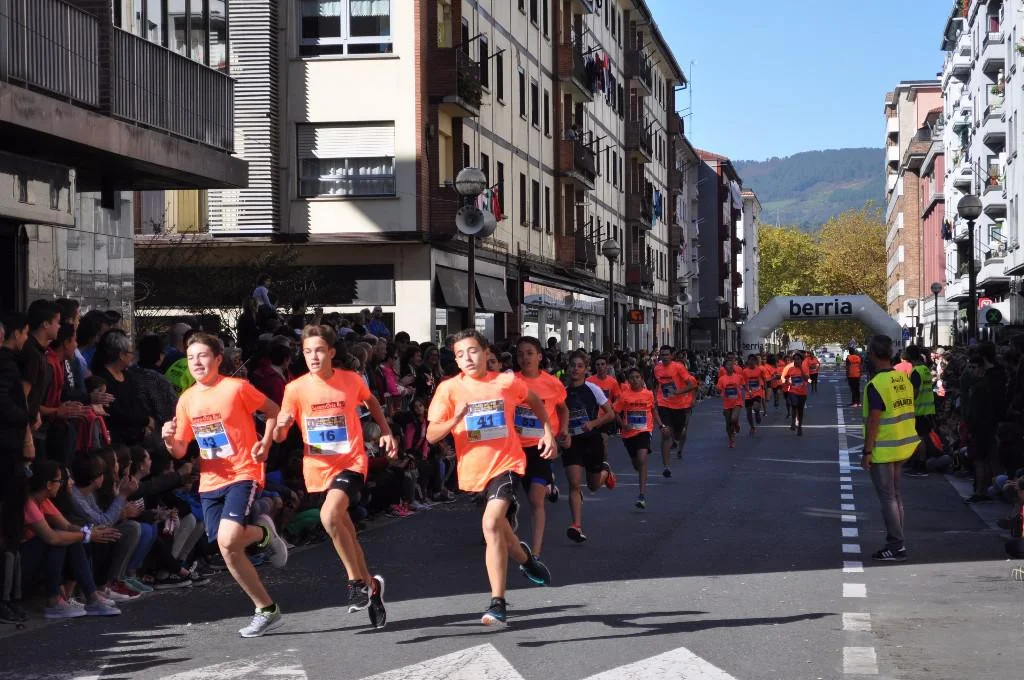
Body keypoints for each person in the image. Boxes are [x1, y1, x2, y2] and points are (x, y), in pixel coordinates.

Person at [161, 332, 289, 638]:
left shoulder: (236, 388)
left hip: (243, 471)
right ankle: (266, 608)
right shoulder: (187, 399)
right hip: (210, 480)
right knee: (226, 546)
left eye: (203, 356)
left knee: (230, 539)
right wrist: (167, 439)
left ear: (218, 359)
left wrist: (265, 443)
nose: (196, 362)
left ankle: (263, 535)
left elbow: (273, 410)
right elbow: (180, 449)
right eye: (190, 357)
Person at [426, 330, 553, 627]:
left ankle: (498, 602)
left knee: (490, 523)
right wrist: (455, 419)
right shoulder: (448, 389)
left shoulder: (505, 383)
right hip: (473, 472)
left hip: (506, 463)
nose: (467, 358)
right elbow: (431, 435)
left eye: (472, 351)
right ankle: (526, 560)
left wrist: (547, 432)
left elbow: (534, 400)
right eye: (460, 355)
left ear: (486, 353)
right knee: (501, 529)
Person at [274, 325, 397, 629]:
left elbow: (372, 402)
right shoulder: (295, 389)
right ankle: (372, 586)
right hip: (318, 467)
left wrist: (386, 432)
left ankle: (356, 583)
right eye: (307, 352)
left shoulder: (350, 379)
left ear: (330, 352)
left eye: (319, 350)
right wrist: (281, 424)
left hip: (351, 461)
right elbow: (280, 436)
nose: (313, 356)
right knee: (346, 531)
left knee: (329, 516)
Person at [20, 459, 123, 619]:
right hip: (17, 564)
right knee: (60, 539)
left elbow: (67, 526)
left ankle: (92, 597)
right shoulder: (28, 503)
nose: (62, 485)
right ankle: (54, 601)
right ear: (48, 484)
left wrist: (88, 532)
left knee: (71, 538)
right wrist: (87, 535)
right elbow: (52, 537)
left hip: (31, 558)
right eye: (59, 481)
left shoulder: (43, 501)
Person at [861, 335, 919, 562]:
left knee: (888, 498)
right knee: (895, 496)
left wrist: (867, 452)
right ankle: (898, 542)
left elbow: (874, 421)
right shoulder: (902, 379)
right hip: (903, 444)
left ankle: (896, 545)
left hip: (884, 448)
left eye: (868, 352)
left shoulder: (876, 384)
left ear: (874, 354)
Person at [513, 337, 569, 558]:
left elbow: (563, 409)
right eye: (520, 354)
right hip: (513, 449)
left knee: (536, 500)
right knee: (505, 500)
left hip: (540, 447)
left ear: (539, 356)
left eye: (529, 353)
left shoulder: (552, 383)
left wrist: (563, 430)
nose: (524, 358)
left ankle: (535, 553)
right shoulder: (510, 382)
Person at [562, 352, 616, 543]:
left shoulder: (593, 389)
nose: (575, 369)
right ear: (568, 368)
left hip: (592, 440)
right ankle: (576, 525)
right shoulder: (561, 391)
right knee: (574, 483)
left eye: (580, 366)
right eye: (572, 365)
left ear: (585, 369)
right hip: (572, 442)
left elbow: (610, 414)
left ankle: (605, 474)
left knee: (593, 486)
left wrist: (593, 423)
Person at [614, 367, 662, 509]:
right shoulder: (624, 395)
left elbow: (653, 410)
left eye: (637, 377)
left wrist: (661, 425)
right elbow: (615, 412)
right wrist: (623, 424)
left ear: (642, 379)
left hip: (644, 430)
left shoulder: (648, 394)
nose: (634, 380)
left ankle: (641, 495)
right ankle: (640, 468)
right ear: (628, 380)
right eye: (632, 378)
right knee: (637, 464)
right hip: (628, 434)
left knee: (642, 459)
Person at [653, 345, 698, 478]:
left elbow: (692, 385)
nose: (665, 357)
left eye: (667, 354)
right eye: (662, 355)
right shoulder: (657, 368)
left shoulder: (679, 367)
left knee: (679, 434)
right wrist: (655, 397)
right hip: (664, 403)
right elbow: (656, 384)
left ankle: (678, 441)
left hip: (679, 405)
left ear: (672, 356)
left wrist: (678, 392)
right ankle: (666, 466)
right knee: (665, 433)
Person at [717, 356, 745, 448]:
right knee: (728, 423)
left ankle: (736, 423)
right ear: (725, 367)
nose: (729, 366)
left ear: (733, 366)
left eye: (731, 365)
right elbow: (719, 389)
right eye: (727, 365)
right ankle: (731, 439)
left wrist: (749, 392)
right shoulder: (722, 379)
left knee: (733, 419)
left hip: (737, 401)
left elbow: (744, 385)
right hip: (727, 403)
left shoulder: (739, 377)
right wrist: (719, 390)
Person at [782, 352, 810, 436]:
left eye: (798, 359)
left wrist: (801, 369)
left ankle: (800, 426)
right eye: (795, 359)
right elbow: (785, 377)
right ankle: (793, 422)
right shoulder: (791, 369)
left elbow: (807, 379)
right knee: (794, 405)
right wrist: (787, 381)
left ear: (801, 360)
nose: (796, 361)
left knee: (800, 410)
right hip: (793, 391)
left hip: (802, 392)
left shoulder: (805, 368)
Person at [741, 354, 765, 435]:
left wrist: (764, 388)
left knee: (755, 407)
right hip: (748, 393)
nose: (751, 361)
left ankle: (757, 413)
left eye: (753, 360)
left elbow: (764, 379)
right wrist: (748, 390)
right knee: (748, 412)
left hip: (757, 392)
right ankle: (752, 427)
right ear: (748, 361)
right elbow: (743, 383)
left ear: (755, 361)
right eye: (750, 360)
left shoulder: (760, 370)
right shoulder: (744, 371)